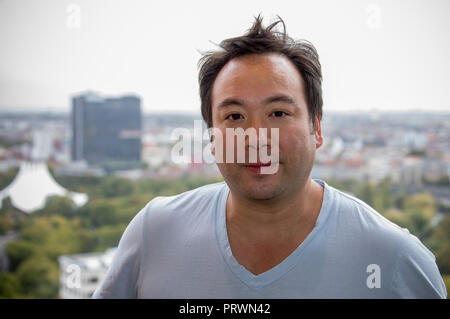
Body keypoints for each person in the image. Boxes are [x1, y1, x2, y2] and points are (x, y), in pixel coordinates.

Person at [93, 15, 447, 299]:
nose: (255, 137)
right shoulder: (154, 232)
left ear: (316, 128)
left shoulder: (394, 259)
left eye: (278, 113)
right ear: (212, 138)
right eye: (234, 117)